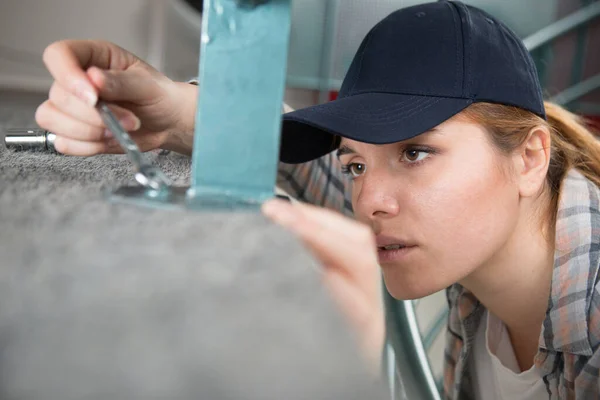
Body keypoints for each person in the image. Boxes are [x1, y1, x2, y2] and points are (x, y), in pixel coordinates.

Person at [35, 1, 600, 398]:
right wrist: (171, 111)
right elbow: (299, 164)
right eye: (355, 163)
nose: (369, 202)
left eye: (416, 152)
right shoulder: (472, 240)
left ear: (528, 159)